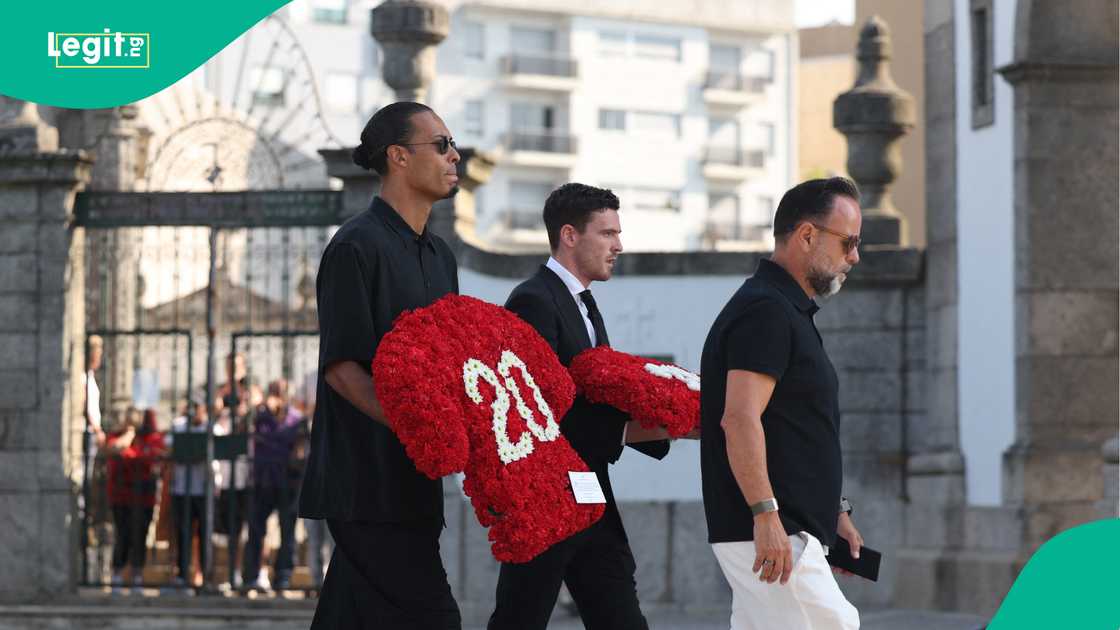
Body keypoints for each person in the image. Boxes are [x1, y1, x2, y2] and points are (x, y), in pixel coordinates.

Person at [299, 101, 462, 629]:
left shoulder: (441, 256)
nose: (453, 155)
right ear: (398, 157)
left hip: (417, 485)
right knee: (435, 618)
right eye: (440, 145)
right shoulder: (354, 246)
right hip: (365, 485)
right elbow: (342, 369)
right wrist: (424, 431)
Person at [488, 183, 677, 630]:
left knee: (619, 614)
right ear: (570, 235)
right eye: (607, 233)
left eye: (618, 233)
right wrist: (645, 429)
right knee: (521, 617)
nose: (618, 245)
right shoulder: (534, 299)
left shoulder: (585, 304)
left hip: (591, 488)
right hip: (546, 499)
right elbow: (540, 413)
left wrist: (668, 415)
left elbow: (598, 394)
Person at [699, 177, 866, 630]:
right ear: (808, 235)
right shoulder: (766, 311)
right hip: (774, 534)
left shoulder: (786, 309)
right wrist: (765, 515)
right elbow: (739, 418)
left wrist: (835, 511)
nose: (854, 256)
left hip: (788, 531)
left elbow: (798, 427)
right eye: (848, 242)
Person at [243, 379, 305, 591]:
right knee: (256, 529)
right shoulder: (260, 417)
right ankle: (251, 576)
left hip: (287, 481)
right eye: (273, 392)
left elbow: (300, 447)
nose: (276, 396)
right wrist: (257, 406)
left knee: (288, 532)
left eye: (279, 392)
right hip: (262, 480)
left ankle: (283, 577)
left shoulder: (296, 419)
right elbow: (245, 428)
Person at [105, 407, 165, 591]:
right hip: (121, 497)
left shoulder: (151, 439)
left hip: (143, 498)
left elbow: (153, 459)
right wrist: (129, 437)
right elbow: (114, 450)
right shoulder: (117, 437)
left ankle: (137, 576)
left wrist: (135, 455)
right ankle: (117, 576)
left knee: (140, 536)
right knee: (122, 536)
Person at [166, 396, 212, 589]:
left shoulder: (209, 427)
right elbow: (169, 446)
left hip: (203, 489)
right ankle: (183, 574)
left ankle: (204, 575)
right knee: (183, 532)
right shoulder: (178, 426)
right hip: (181, 488)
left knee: (204, 534)